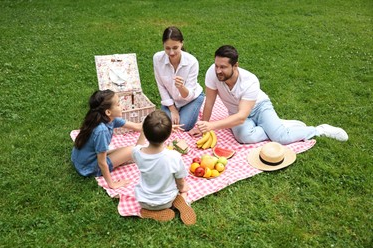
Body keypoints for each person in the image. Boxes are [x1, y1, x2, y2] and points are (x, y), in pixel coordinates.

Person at [190, 45, 348, 144]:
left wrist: (212, 126)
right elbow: (209, 101)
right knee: (244, 138)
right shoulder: (213, 72)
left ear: (235, 65)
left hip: (259, 107)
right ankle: (276, 126)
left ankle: (319, 130)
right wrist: (204, 125)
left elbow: (241, 117)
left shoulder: (250, 81)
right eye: (217, 65)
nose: (218, 70)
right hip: (236, 112)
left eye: (223, 67)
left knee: (282, 138)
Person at [133, 110, 196, 225]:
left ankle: (149, 212)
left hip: (143, 200)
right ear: (169, 135)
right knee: (185, 189)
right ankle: (183, 201)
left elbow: (139, 145)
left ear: (145, 132)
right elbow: (180, 182)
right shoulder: (174, 156)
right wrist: (183, 189)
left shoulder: (137, 152)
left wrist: (144, 129)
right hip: (166, 201)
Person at [71, 89, 142, 189]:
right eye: (118, 104)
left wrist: (165, 126)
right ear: (108, 112)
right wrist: (112, 184)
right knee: (132, 150)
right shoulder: (101, 131)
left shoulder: (110, 119)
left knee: (129, 150)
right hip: (88, 167)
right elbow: (102, 162)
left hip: (82, 159)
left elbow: (138, 127)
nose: (121, 107)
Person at [153, 26, 204, 131]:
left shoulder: (192, 62)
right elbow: (161, 86)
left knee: (183, 126)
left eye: (175, 47)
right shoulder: (158, 58)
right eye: (167, 48)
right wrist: (172, 109)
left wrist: (181, 87)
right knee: (163, 125)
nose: (171, 53)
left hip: (190, 99)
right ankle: (178, 110)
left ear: (182, 44)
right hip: (171, 100)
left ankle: (193, 106)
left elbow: (188, 95)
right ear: (163, 45)